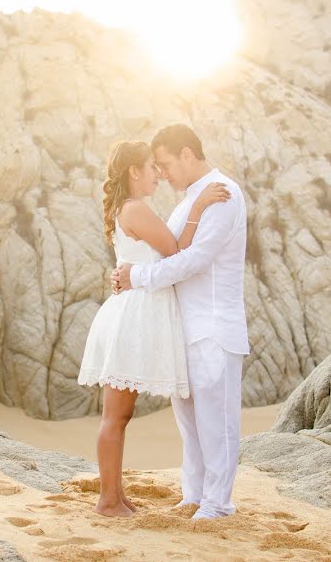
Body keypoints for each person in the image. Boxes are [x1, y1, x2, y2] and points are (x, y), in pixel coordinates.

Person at [78, 140, 230, 517]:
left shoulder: (126, 209)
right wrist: (198, 206)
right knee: (116, 416)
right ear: (134, 171)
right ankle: (108, 500)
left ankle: (115, 495)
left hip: (133, 312)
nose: (158, 176)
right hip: (135, 319)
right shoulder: (135, 209)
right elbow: (178, 249)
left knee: (119, 415)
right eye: (151, 168)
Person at [111, 124, 249, 520]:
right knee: (190, 423)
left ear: (188, 154)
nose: (163, 173)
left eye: (166, 164)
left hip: (214, 327)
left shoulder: (223, 194)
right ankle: (195, 495)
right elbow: (163, 252)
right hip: (181, 329)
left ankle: (218, 504)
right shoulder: (187, 202)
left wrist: (135, 277)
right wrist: (127, 269)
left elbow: (194, 260)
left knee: (216, 422)